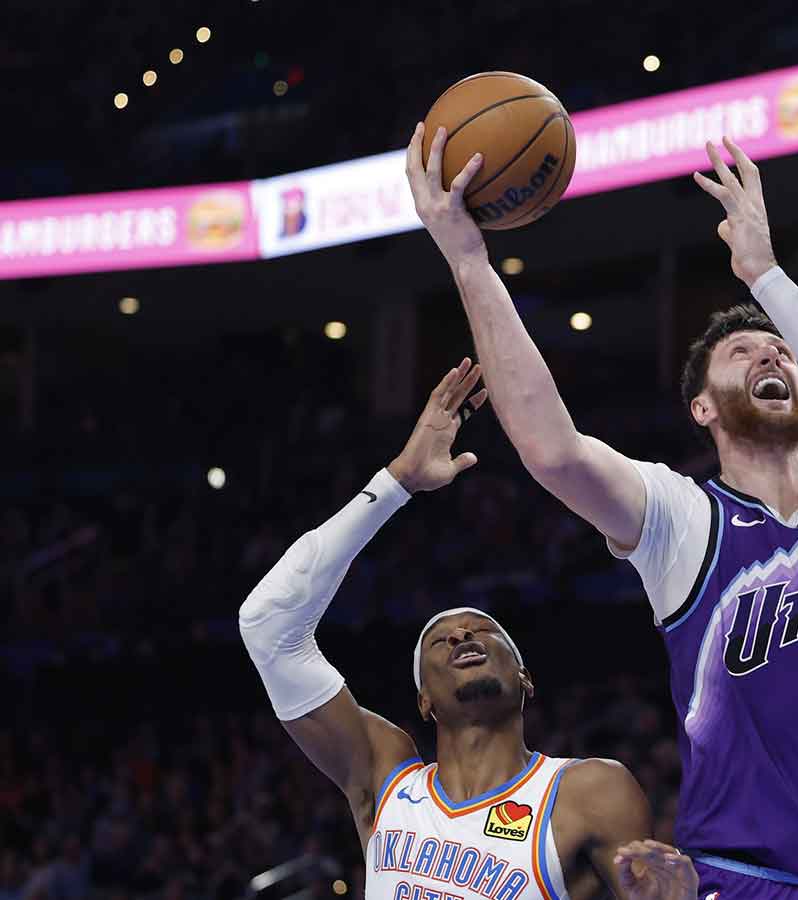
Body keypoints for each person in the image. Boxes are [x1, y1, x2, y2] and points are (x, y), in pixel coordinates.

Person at [405, 118, 798, 898]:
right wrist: (468, 258)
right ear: (703, 410)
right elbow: (554, 450)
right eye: (742, 352)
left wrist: (767, 279)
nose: (771, 354)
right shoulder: (686, 522)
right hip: (753, 878)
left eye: (781, 349)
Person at [238, 361, 695, 900]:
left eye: (482, 631)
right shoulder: (384, 777)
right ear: (424, 700)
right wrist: (397, 483)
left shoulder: (588, 790)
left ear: (524, 678)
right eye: (439, 640)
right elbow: (267, 622)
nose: (460, 637)